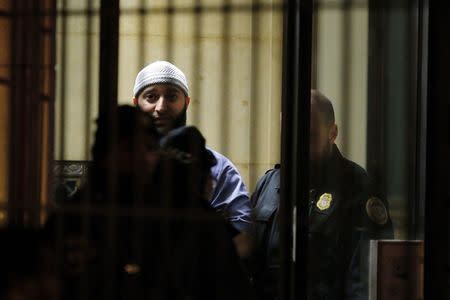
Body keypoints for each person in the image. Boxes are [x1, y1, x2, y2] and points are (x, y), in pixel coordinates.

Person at [249, 90, 394, 300]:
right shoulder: (268, 184)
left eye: (309, 136)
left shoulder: (359, 189)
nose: (296, 144)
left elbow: (364, 282)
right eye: (289, 134)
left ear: (332, 133)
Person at [132, 60, 253, 257]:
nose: (161, 107)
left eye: (171, 96)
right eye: (151, 97)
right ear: (136, 103)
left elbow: (242, 241)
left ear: (186, 102)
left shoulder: (219, 168)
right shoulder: (124, 163)